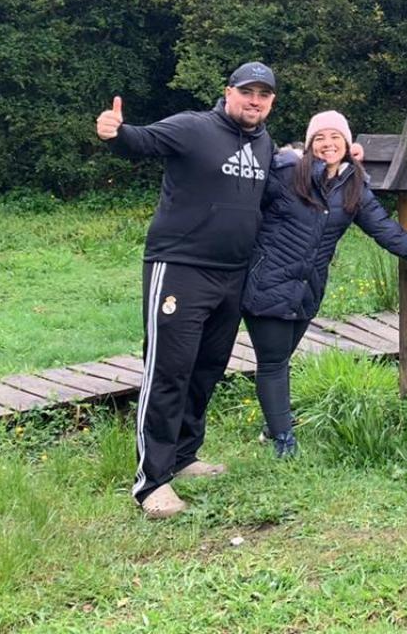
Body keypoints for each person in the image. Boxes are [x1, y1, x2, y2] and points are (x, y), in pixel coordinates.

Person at [96, 61, 279, 519]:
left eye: (264, 95)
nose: (254, 101)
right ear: (228, 93)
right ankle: (151, 482)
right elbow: (140, 141)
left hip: (232, 273)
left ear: (271, 102)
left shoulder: (264, 143)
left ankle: (184, 456)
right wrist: (115, 132)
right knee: (169, 370)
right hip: (179, 268)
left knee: (205, 369)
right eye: (247, 92)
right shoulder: (192, 128)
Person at [241, 110, 407, 457]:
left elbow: (386, 230)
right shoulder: (287, 174)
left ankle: (272, 424)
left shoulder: (353, 188)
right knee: (274, 362)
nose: (327, 144)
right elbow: (249, 183)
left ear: (348, 144)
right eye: (319, 138)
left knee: (279, 360)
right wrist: (286, 153)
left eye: (335, 137)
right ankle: (283, 441)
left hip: (307, 291)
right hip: (268, 283)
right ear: (308, 146)